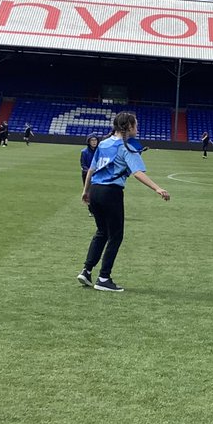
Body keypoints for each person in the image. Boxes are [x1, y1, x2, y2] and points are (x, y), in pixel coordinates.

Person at [77, 112, 170, 292]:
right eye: (135, 125)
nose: (137, 128)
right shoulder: (126, 147)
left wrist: (85, 191)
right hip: (111, 192)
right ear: (128, 127)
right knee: (116, 235)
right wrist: (158, 188)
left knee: (102, 232)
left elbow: (92, 169)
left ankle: (86, 271)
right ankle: (103, 278)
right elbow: (137, 172)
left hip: (95, 190)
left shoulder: (103, 143)